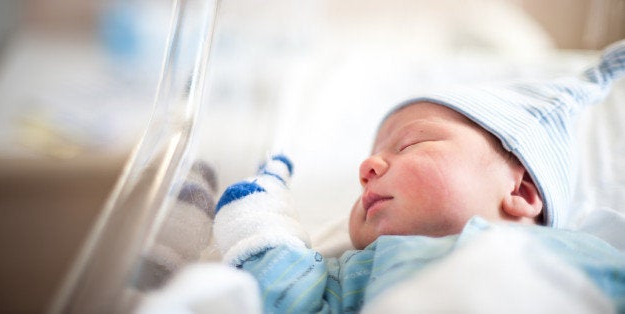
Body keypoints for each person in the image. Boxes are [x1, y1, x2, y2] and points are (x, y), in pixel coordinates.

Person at [211, 40, 625, 313]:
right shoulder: (359, 270)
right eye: (372, 160)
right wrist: (265, 222)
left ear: (520, 191)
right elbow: (289, 301)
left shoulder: (585, 255)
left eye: (408, 146)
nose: (367, 170)